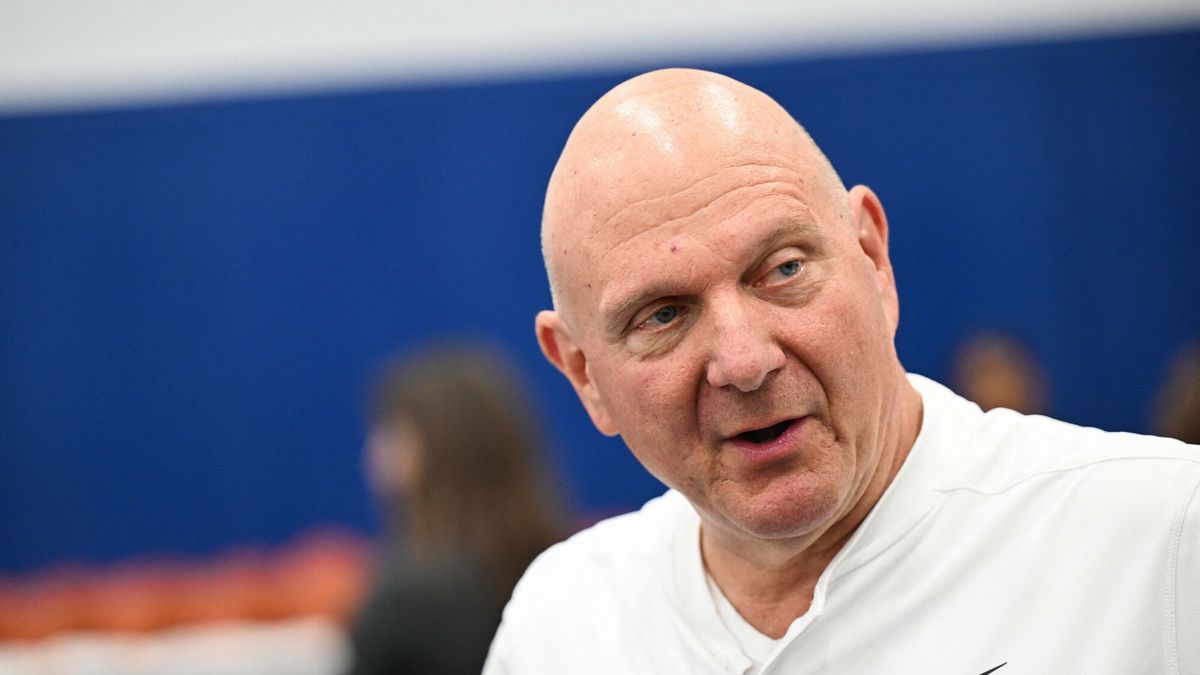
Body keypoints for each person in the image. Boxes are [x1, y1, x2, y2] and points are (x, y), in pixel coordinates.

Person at [484, 69, 1200, 674]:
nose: (744, 360)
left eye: (783, 269)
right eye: (664, 315)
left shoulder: (1159, 540)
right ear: (582, 373)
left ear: (873, 256)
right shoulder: (562, 626)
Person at [348, 344, 563, 675]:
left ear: (426, 451)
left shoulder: (404, 603)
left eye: (391, 435)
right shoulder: (565, 568)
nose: (373, 457)